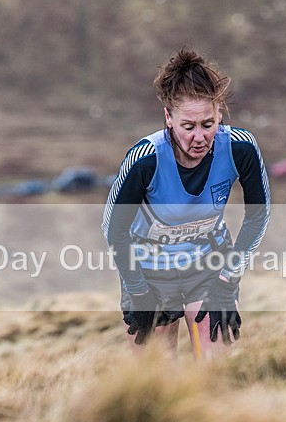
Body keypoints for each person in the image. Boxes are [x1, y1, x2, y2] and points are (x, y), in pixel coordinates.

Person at [102, 47, 271, 359]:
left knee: (216, 369)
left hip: (209, 265)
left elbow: (257, 218)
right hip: (148, 271)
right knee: (156, 384)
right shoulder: (145, 159)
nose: (199, 137)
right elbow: (114, 230)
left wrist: (227, 281)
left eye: (208, 124)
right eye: (188, 126)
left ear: (219, 112)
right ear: (168, 117)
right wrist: (138, 293)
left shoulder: (240, 149)